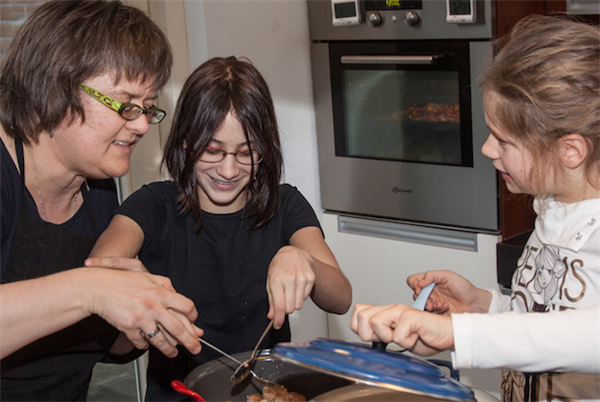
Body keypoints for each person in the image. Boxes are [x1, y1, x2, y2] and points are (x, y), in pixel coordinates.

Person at [350, 15, 600, 402]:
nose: (487, 149)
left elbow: (587, 334)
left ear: (570, 150)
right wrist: (481, 306)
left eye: (503, 140)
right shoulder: (554, 209)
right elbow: (540, 320)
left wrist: (460, 335)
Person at [87, 55, 353, 401]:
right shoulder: (152, 206)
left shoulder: (285, 206)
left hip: (266, 393)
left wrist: (306, 262)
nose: (228, 170)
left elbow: (341, 298)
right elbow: (97, 272)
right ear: (185, 141)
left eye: (247, 153)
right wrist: (125, 287)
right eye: (212, 150)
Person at [0, 1, 203, 400]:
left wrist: (138, 322)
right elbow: (84, 294)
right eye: (126, 104)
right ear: (56, 85)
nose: (143, 124)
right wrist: (91, 290)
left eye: (147, 107)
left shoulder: (100, 190)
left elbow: (97, 346)